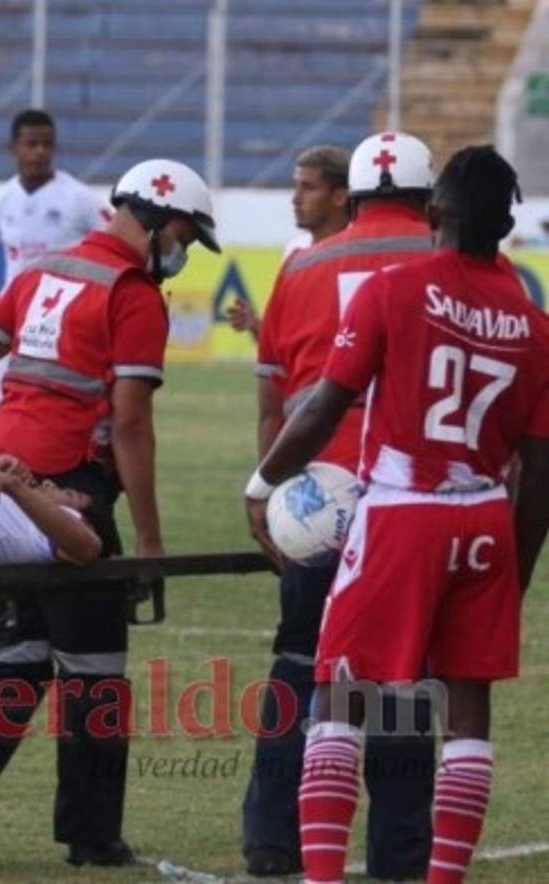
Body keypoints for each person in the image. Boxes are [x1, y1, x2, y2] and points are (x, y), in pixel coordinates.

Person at [244, 144, 549, 884]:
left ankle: (317, 874)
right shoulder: (535, 324)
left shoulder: (393, 288)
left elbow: (320, 404)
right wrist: (514, 571)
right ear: (506, 226)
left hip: (402, 508)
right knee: (465, 713)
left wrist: (263, 484)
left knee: (338, 693)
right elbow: (539, 467)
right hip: (482, 520)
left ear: (436, 211)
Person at [0, 158, 220, 867]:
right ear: (154, 218)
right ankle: (91, 837)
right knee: (93, 670)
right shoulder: (132, 293)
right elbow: (129, 426)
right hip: (70, 495)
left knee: (23, 654)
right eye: (183, 233)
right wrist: (148, 542)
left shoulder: (43, 272)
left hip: (4, 484)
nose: (182, 252)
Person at [240, 132, 439, 879]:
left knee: (299, 659)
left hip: (311, 496)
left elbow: (272, 403)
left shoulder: (300, 268)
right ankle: (396, 851)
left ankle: (270, 834)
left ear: (352, 196)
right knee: (402, 671)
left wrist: (267, 488)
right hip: (410, 500)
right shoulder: (449, 263)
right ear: (427, 197)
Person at [0, 109, 112, 414]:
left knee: (59, 404)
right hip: (15, 316)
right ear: (13, 148)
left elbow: (116, 240)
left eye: (47, 144)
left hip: (63, 318)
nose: (40, 152)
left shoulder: (78, 198)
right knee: (2, 409)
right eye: (31, 144)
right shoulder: (1, 200)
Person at [226, 145, 350, 337]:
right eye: (296, 186)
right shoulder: (294, 251)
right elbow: (284, 345)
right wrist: (257, 326)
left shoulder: (360, 252)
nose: (295, 198)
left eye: (308, 188)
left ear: (339, 196)